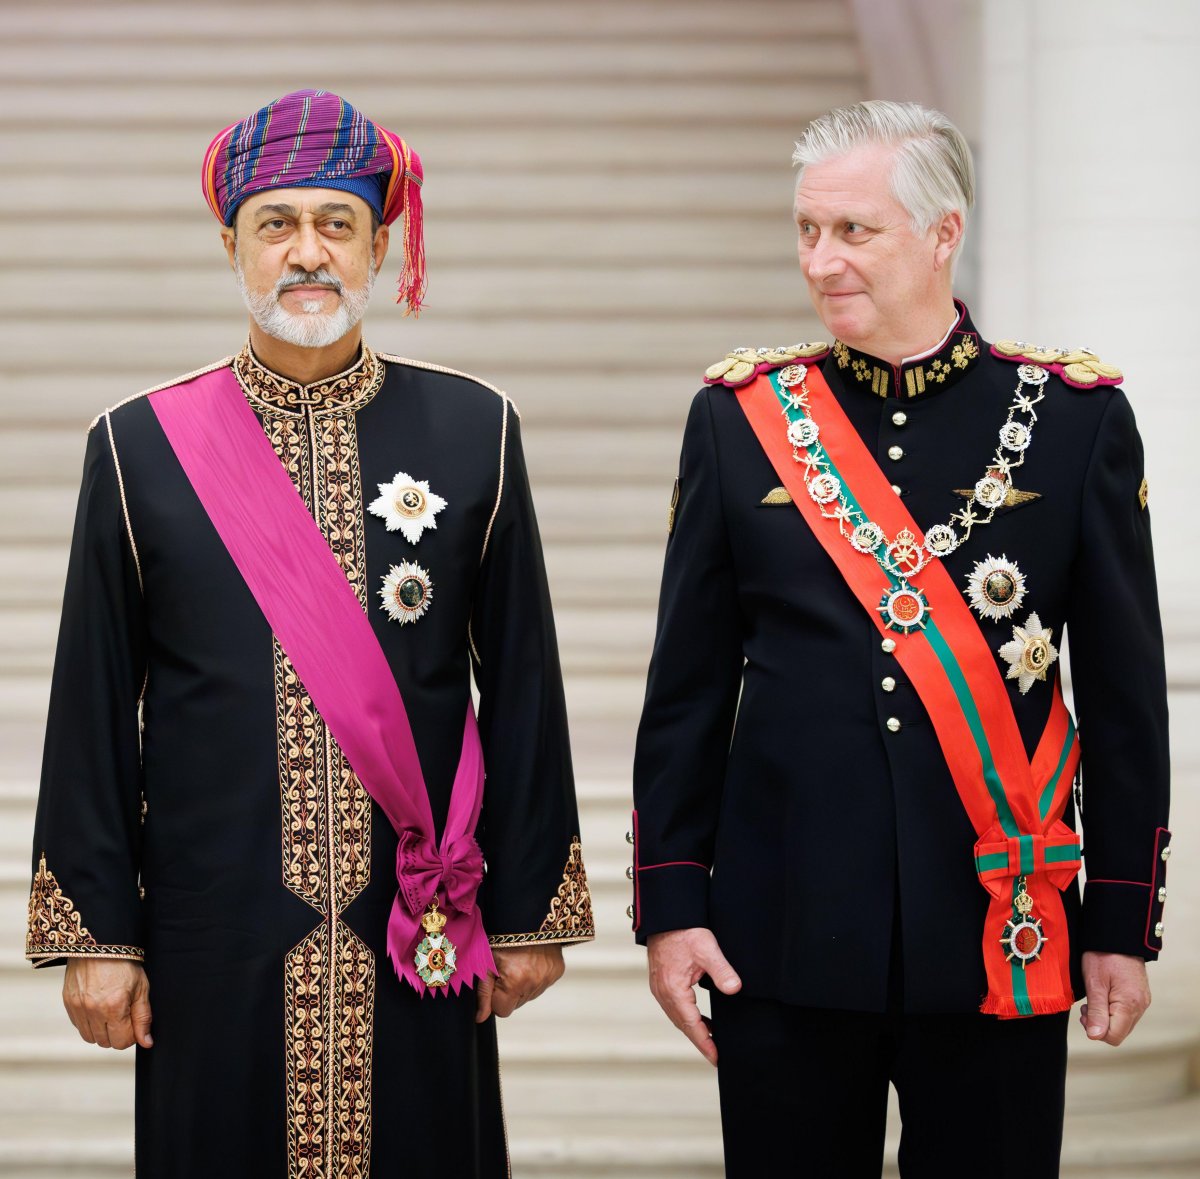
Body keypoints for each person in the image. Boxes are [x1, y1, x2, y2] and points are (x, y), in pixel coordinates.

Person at [26, 88, 594, 1178]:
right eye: (275, 224)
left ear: (381, 245)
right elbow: (90, 704)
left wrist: (529, 912)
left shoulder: (477, 429)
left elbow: (524, 684)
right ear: (230, 244)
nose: (307, 252)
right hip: (214, 924)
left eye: (336, 224)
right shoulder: (139, 447)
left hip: (421, 919)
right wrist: (99, 936)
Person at [631, 100, 1170, 1177]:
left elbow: (1122, 701)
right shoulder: (740, 421)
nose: (820, 262)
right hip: (777, 932)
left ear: (942, 232)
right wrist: (672, 905)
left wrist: (1116, 919)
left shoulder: (1071, 422)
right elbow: (687, 688)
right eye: (806, 230)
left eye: (854, 231)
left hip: (996, 930)